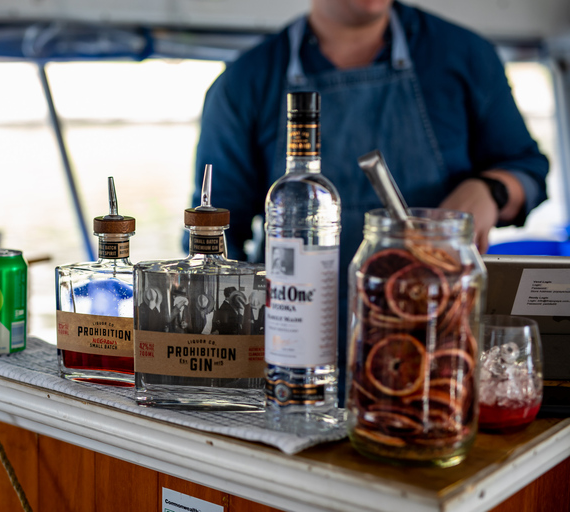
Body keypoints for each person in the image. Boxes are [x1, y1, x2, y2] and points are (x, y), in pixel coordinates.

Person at [190, 0, 549, 400]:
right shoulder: (246, 81)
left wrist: (491, 189)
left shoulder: (463, 55)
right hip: (291, 368)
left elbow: (528, 170)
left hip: (434, 350)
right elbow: (216, 236)